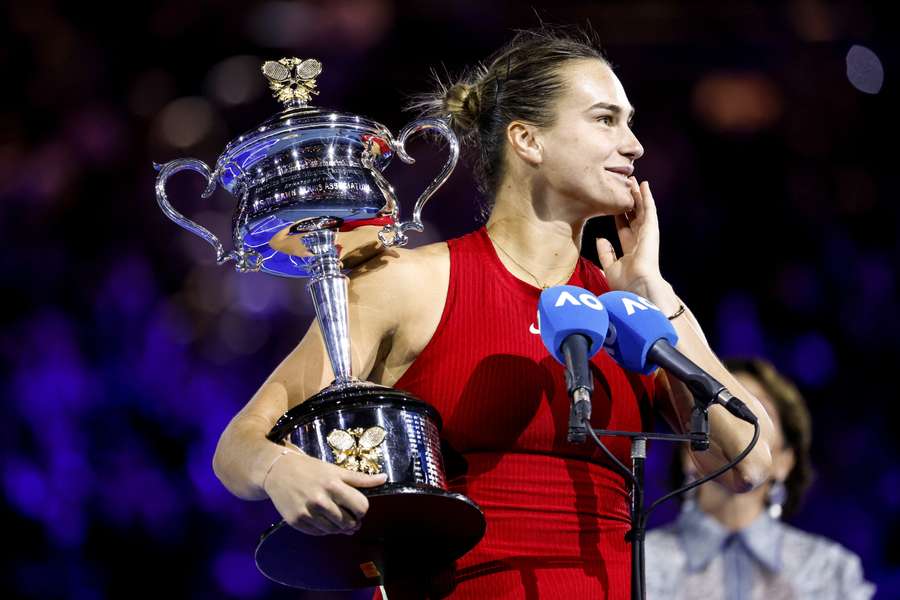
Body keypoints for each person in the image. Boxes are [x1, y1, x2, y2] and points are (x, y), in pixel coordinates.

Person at [212, 26, 777, 599]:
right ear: (527, 140)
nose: (634, 146)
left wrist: (651, 287)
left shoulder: (633, 312)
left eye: (628, 122)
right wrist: (280, 470)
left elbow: (748, 465)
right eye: (606, 120)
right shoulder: (410, 283)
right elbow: (238, 446)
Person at [645, 357, 875, 600]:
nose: (735, 431)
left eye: (756, 412)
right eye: (719, 413)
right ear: (688, 451)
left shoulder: (831, 571)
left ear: (785, 461)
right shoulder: (641, 561)